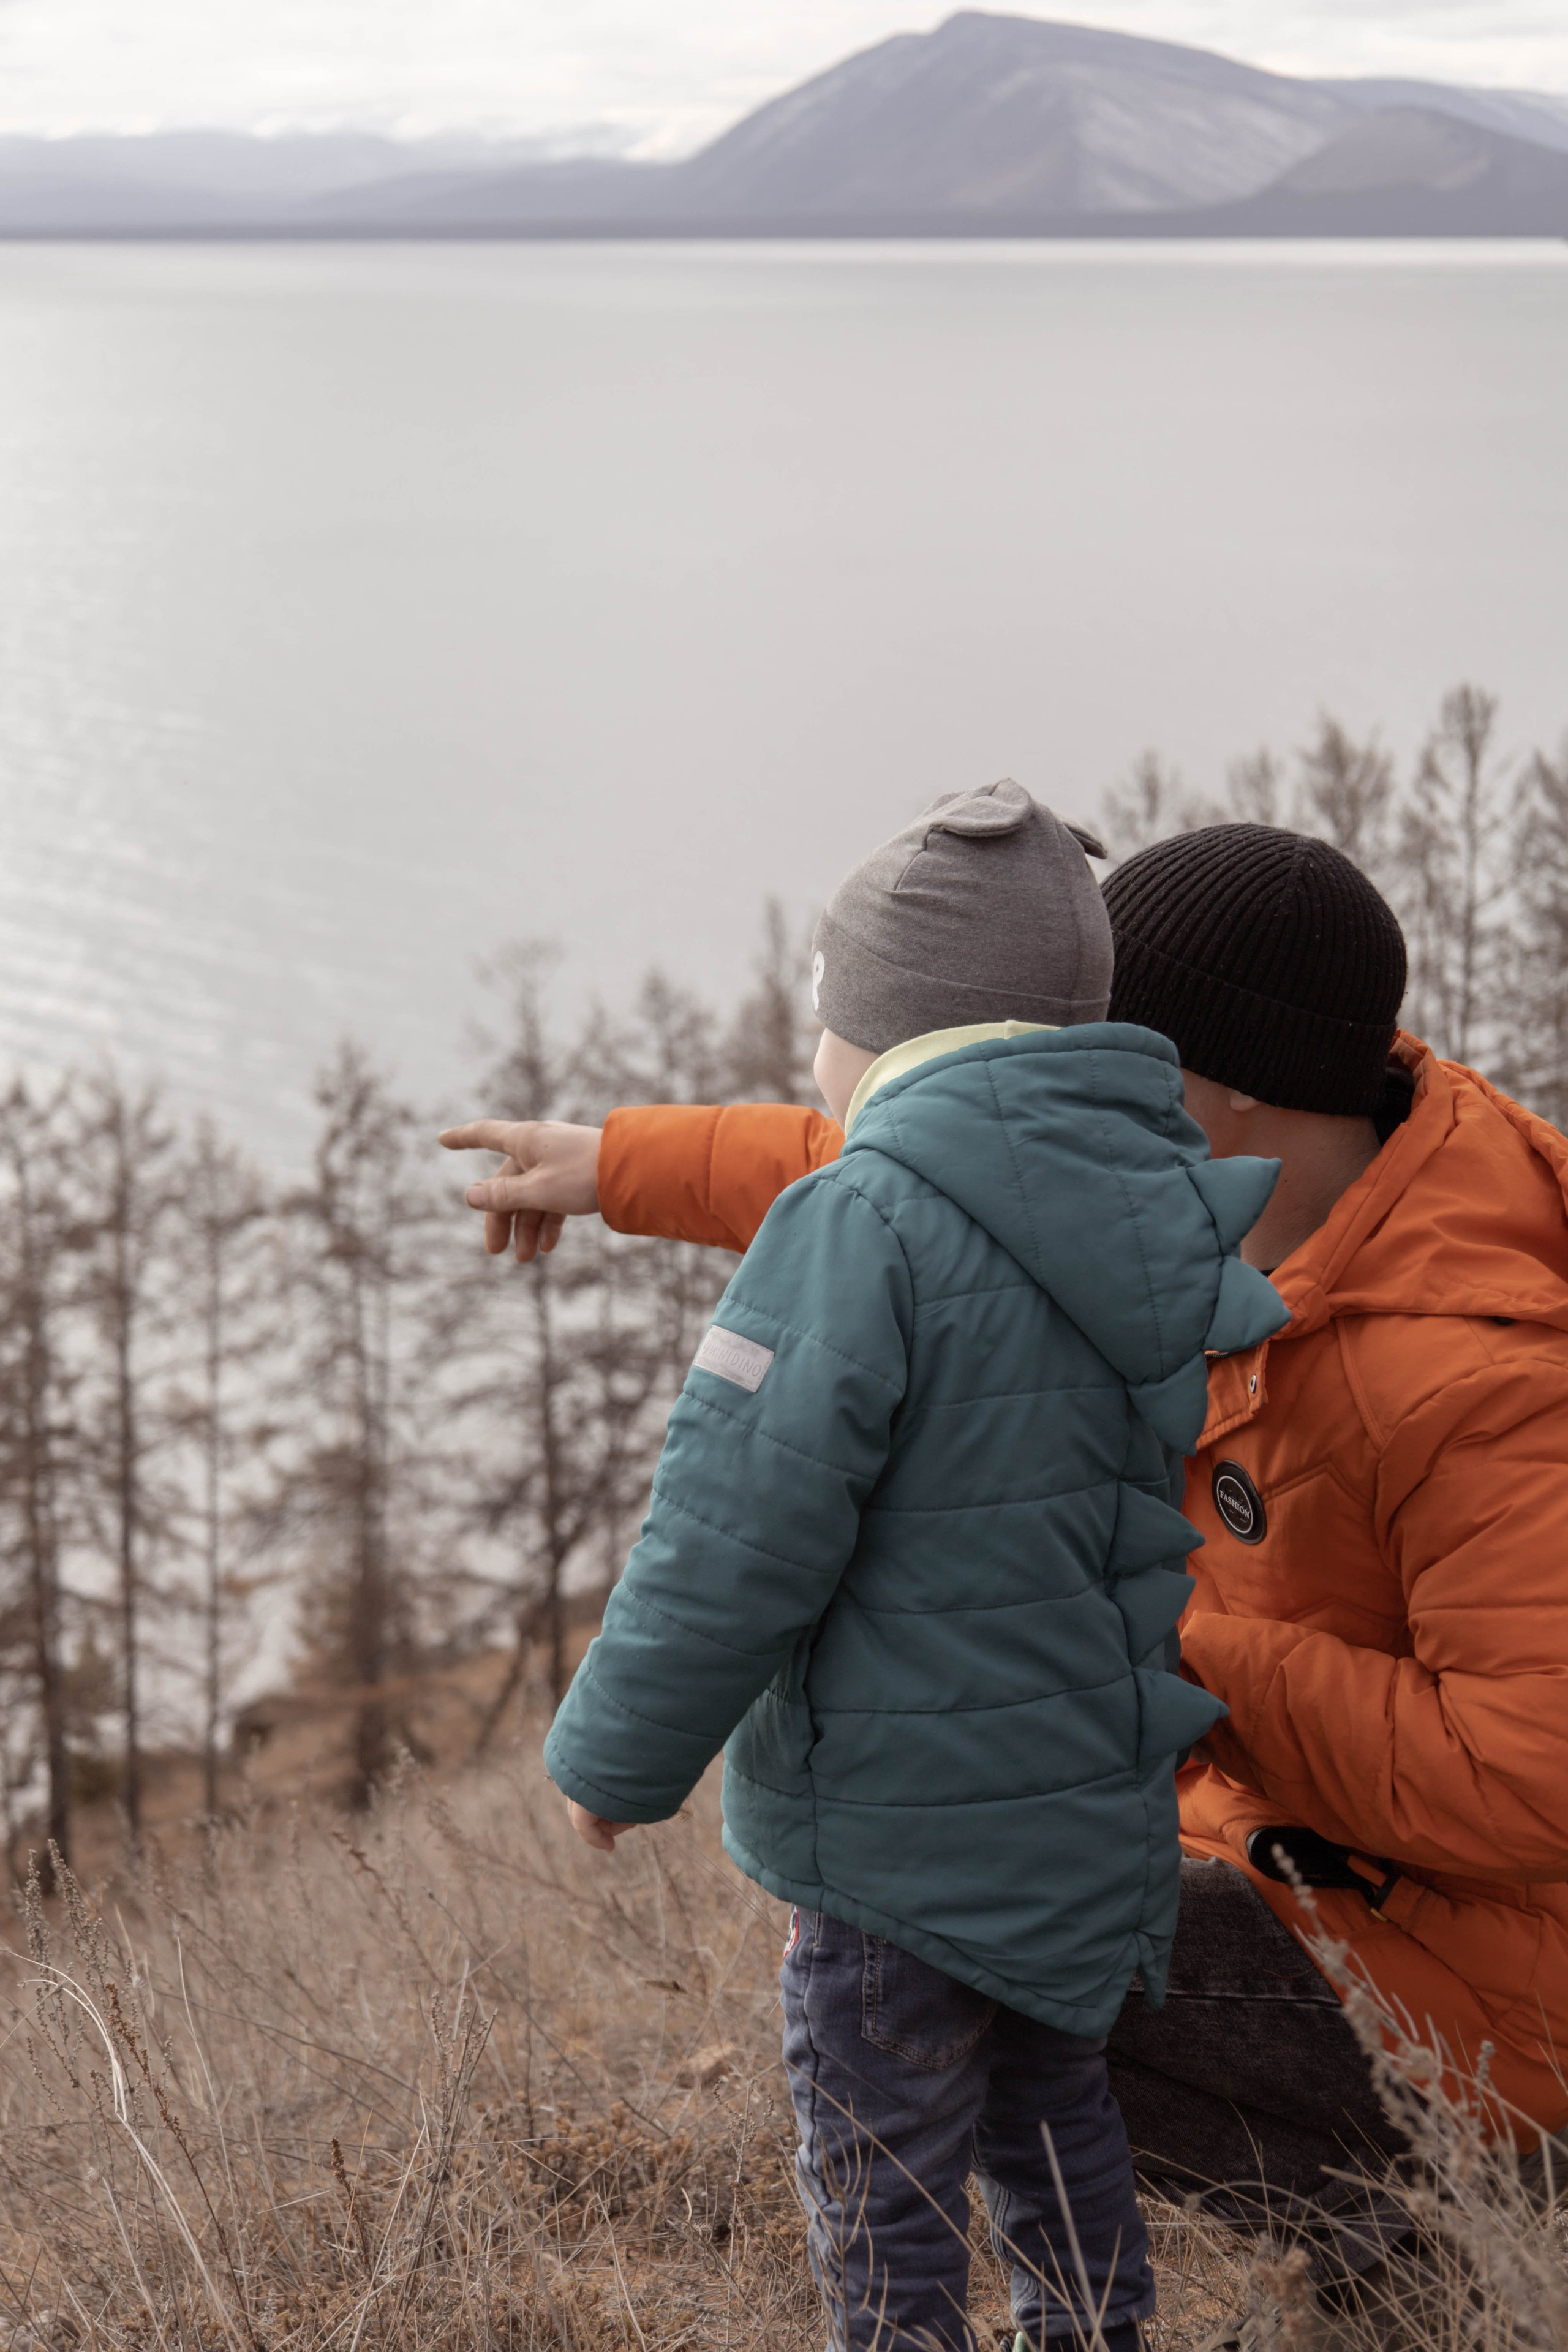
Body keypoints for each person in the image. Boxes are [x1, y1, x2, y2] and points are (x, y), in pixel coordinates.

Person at [444, 820, 1568, 2280]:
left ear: (1203, 1092)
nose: (1036, 1075)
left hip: (1505, 1995)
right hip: (1297, 1868)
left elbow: (1522, 1779)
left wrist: (1153, 1639)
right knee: (960, 1899)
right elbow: (931, 1179)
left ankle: (1458, 2242)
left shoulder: (1480, 1380)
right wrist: (618, 1166)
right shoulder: (1209, 1176)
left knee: (963, 1952)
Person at [506, 781, 1286, 2352]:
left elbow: (736, 1529)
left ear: (888, 1036)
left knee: (890, 2211)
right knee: (1057, 2138)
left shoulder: (854, 1219)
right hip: (1079, 1834)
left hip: (888, 1866)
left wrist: (612, 1761)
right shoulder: (1150, 1212)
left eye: (825, 1019)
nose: (815, 1058)